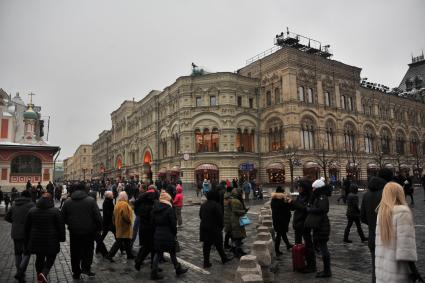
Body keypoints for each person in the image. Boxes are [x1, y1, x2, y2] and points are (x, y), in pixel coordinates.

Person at [375, 182, 419, 282]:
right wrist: (414, 271)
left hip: (383, 272)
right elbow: (406, 248)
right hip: (398, 271)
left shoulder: (382, 212)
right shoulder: (402, 212)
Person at [61, 183, 102, 279]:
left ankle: (76, 272)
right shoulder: (91, 201)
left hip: (74, 232)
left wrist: (70, 223)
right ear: (84, 190)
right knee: (88, 251)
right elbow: (98, 217)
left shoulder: (68, 201)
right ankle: (86, 268)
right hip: (89, 231)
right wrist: (98, 228)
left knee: (75, 252)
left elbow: (62, 217)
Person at [360, 168, 393, 283]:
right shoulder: (388, 193)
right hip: (389, 237)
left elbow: (362, 217)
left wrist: (373, 224)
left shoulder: (366, 194)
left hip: (372, 237)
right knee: (391, 271)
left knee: (376, 270)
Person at [25, 193, 65, 283]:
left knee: (39, 258)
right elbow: (61, 227)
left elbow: (27, 228)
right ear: (51, 200)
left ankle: (39, 276)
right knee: (52, 255)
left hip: (36, 239)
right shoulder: (55, 211)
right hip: (51, 239)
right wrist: (62, 238)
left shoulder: (32, 211)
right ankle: (44, 272)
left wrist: (27, 241)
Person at [150, 191, 188, 280]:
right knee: (172, 252)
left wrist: (156, 230)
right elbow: (173, 224)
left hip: (158, 233)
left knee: (158, 253)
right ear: (167, 199)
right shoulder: (169, 209)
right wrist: (174, 233)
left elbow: (152, 222)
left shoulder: (155, 208)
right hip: (168, 234)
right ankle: (177, 269)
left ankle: (154, 272)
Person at [5, 190, 35, 283]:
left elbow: (7, 217)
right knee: (27, 252)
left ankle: (19, 271)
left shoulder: (14, 204)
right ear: (29, 197)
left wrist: (15, 223)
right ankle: (21, 271)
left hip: (15, 232)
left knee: (17, 253)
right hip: (27, 233)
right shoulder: (31, 205)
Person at [305, 177, 332, 278]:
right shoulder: (319, 196)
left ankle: (327, 271)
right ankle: (326, 270)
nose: (313, 190)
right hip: (320, 225)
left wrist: (310, 209)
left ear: (318, 188)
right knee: (322, 247)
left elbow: (323, 209)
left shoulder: (322, 197)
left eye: (314, 188)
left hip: (322, 226)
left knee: (324, 249)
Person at [200, 190, 232, 268]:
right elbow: (220, 218)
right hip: (214, 228)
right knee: (218, 245)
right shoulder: (216, 205)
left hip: (204, 227)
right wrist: (221, 227)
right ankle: (224, 258)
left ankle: (206, 262)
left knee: (206, 246)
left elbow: (200, 215)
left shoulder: (203, 205)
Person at [290, 178, 316, 273]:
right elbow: (295, 208)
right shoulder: (300, 196)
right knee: (297, 244)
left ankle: (311, 265)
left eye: (300, 187)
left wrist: (294, 203)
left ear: (305, 188)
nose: (298, 188)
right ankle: (299, 263)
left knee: (308, 245)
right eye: (298, 187)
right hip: (297, 223)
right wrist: (289, 204)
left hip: (305, 224)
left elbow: (306, 209)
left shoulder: (310, 197)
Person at [135, 185, 159, 271]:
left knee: (149, 247)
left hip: (143, 228)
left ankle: (153, 265)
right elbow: (154, 219)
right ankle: (139, 261)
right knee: (149, 247)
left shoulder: (141, 204)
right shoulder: (150, 206)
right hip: (150, 229)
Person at [106, 191, 135, 261]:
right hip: (124, 226)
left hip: (119, 225)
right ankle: (110, 255)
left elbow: (113, 216)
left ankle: (129, 254)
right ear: (125, 197)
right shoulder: (124, 204)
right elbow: (125, 215)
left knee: (127, 240)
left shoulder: (117, 204)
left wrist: (115, 223)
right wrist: (129, 221)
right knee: (119, 241)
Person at [271, 186, 293, 255]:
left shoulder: (274, 200)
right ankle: (277, 250)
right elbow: (289, 208)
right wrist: (289, 201)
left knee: (282, 233)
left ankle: (288, 245)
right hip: (282, 220)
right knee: (279, 235)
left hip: (277, 220)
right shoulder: (282, 200)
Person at [229, 187, 248, 258]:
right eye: (241, 193)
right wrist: (244, 211)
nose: (242, 194)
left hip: (236, 219)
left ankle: (238, 250)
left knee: (238, 236)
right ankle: (237, 252)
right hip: (236, 220)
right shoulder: (235, 201)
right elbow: (236, 211)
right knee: (238, 237)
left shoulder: (234, 200)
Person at [96, 191, 114, 257]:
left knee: (116, 236)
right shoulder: (107, 202)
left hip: (108, 222)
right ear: (109, 196)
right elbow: (108, 213)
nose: (113, 195)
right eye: (112, 194)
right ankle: (98, 249)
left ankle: (98, 249)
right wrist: (113, 214)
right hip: (108, 223)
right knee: (103, 236)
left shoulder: (109, 201)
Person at [223, 185, 233, 249]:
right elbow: (232, 208)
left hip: (226, 215)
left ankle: (230, 244)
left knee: (229, 231)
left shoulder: (225, 196)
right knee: (229, 231)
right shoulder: (229, 198)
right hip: (229, 216)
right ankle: (226, 244)